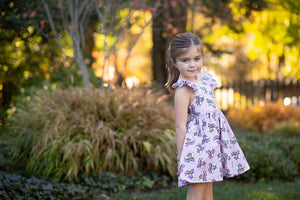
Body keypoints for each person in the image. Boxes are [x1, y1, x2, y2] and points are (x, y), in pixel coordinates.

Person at [165, 32, 250, 200]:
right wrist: (182, 158)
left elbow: (211, 115)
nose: (192, 65)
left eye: (197, 59)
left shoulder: (204, 81)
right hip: (195, 149)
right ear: (174, 62)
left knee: (207, 192)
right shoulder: (183, 90)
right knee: (197, 192)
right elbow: (180, 126)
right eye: (185, 60)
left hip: (211, 147)